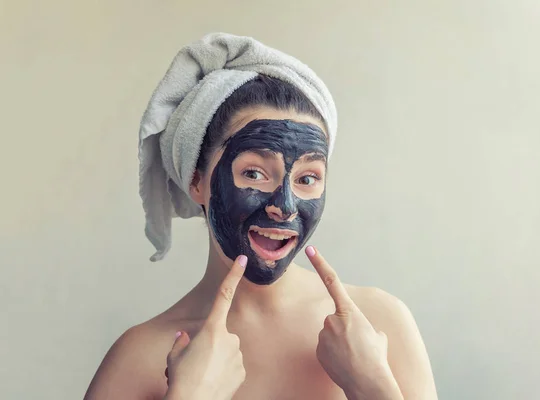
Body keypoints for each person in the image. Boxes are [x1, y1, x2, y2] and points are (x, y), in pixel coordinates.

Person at [84, 33, 438, 400]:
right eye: (254, 173)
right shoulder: (141, 357)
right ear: (196, 181)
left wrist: (374, 386)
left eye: (307, 178)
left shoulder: (379, 324)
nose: (284, 206)